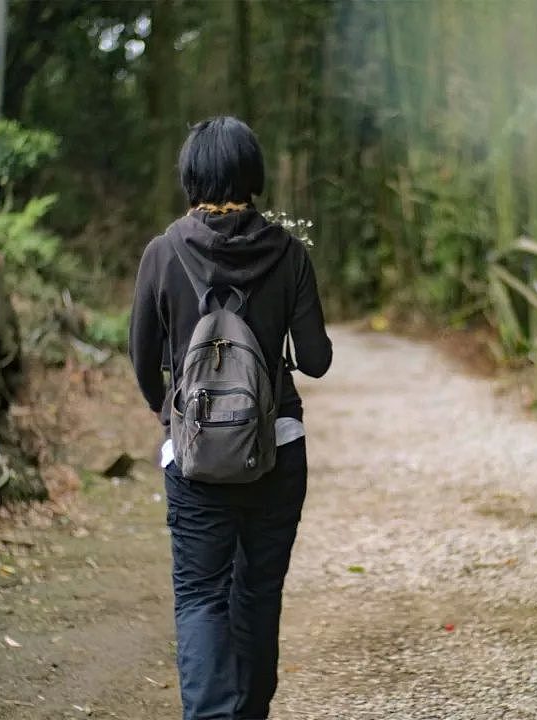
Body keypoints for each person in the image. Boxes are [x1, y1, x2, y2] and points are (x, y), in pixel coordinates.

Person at [128, 116, 332, 720]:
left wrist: (170, 418)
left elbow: (142, 360)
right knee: (257, 594)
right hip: (277, 450)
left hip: (194, 463)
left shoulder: (162, 253)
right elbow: (317, 361)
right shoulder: (290, 253)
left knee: (200, 596)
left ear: (191, 176)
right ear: (254, 175)